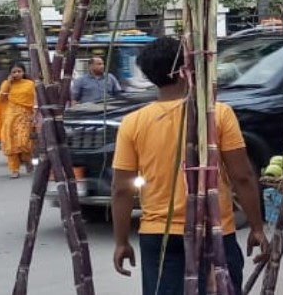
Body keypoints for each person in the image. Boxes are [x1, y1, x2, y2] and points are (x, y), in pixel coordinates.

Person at [111, 37, 268, 295]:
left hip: (159, 236)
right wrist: (257, 228)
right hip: (215, 230)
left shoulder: (133, 122)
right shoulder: (218, 113)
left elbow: (121, 189)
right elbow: (242, 176)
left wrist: (121, 242)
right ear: (187, 70)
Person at [0, 64, 37, 179]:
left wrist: (34, 114)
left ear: (23, 72)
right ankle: (14, 169)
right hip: (10, 117)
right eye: (14, 72)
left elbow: (35, 100)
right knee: (10, 144)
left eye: (19, 71)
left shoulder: (30, 84)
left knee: (23, 142)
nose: (16, 74)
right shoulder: (6, 84)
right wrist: (8, 84)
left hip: (25, 116)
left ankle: (27, 160)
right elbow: (1, 99)